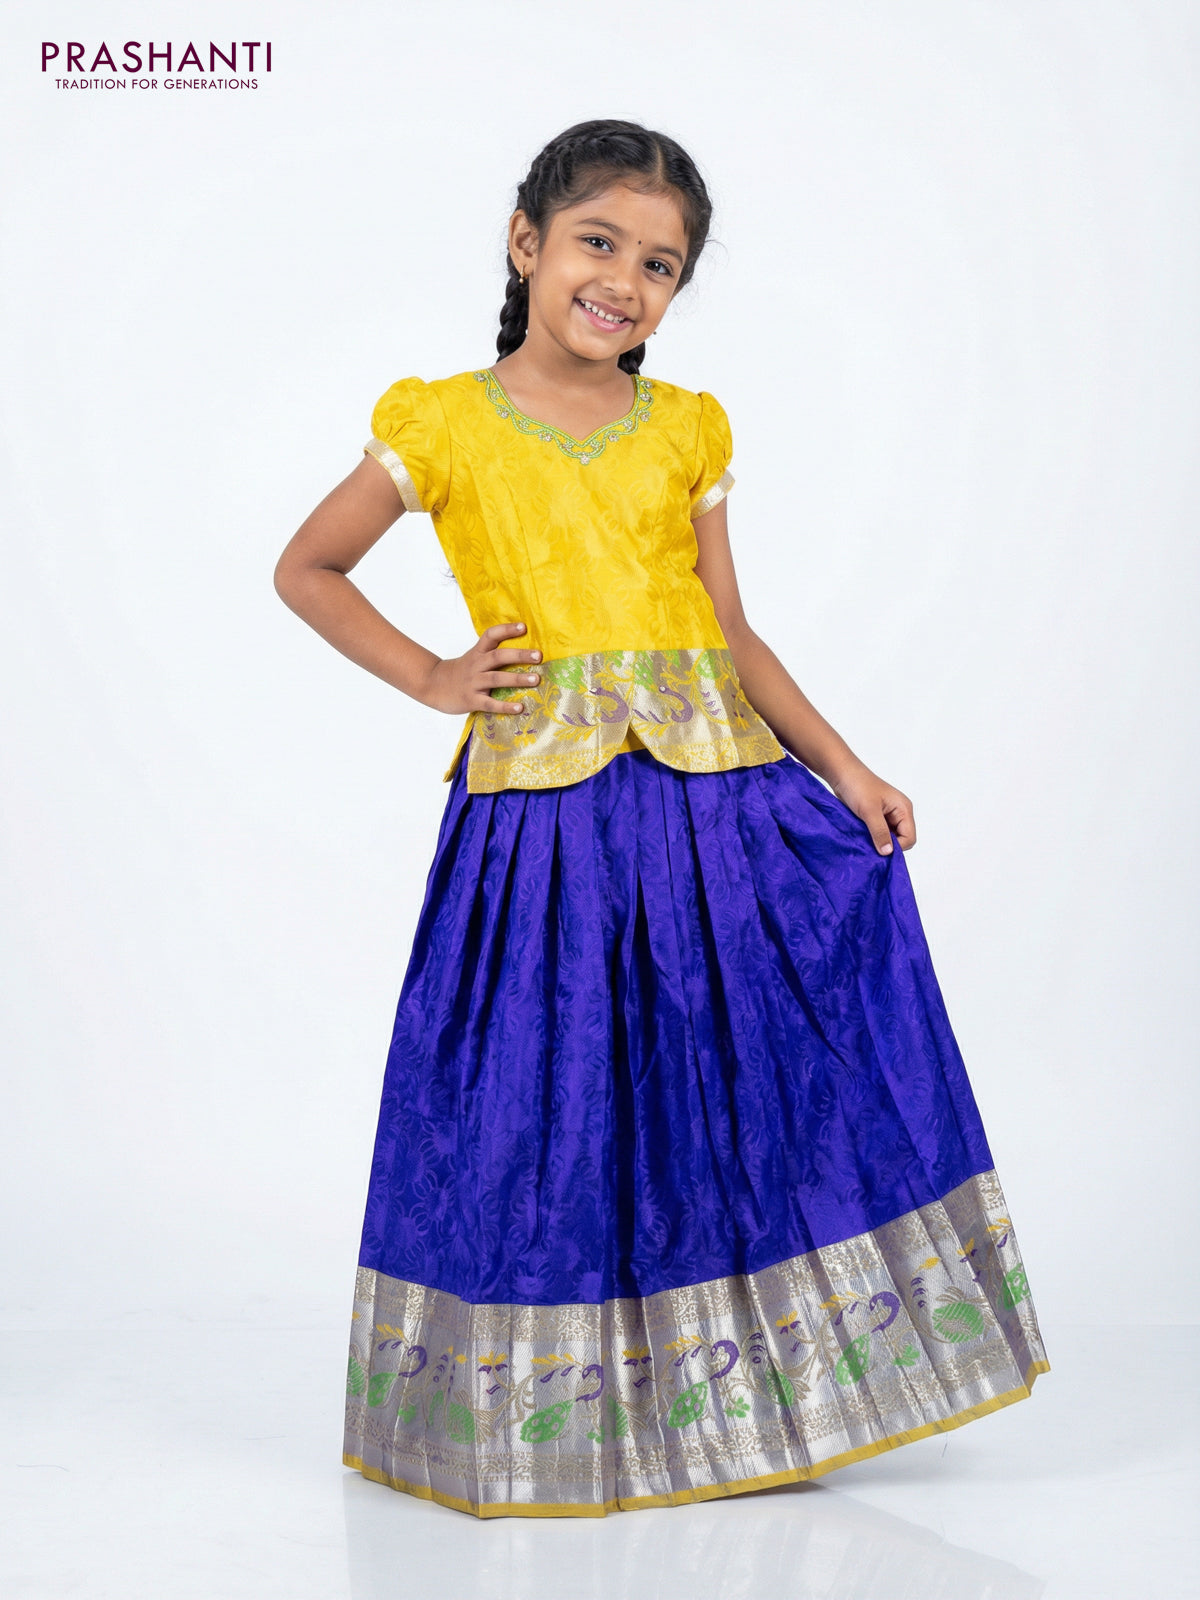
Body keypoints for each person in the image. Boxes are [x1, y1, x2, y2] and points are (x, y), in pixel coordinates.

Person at [273, 119, 1048, 1519]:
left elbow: (728, 628)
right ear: (527, 244)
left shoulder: (685, 427)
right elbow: (308, 567)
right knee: (555, 1090)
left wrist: (843, 768)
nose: (624, 281)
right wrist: (437, 677)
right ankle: (568, 1415)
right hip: (548, 826)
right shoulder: (441, 423)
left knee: (729, 1080)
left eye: (661, 264)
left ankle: (752, 1401)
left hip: (717, 813)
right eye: (599, 243)